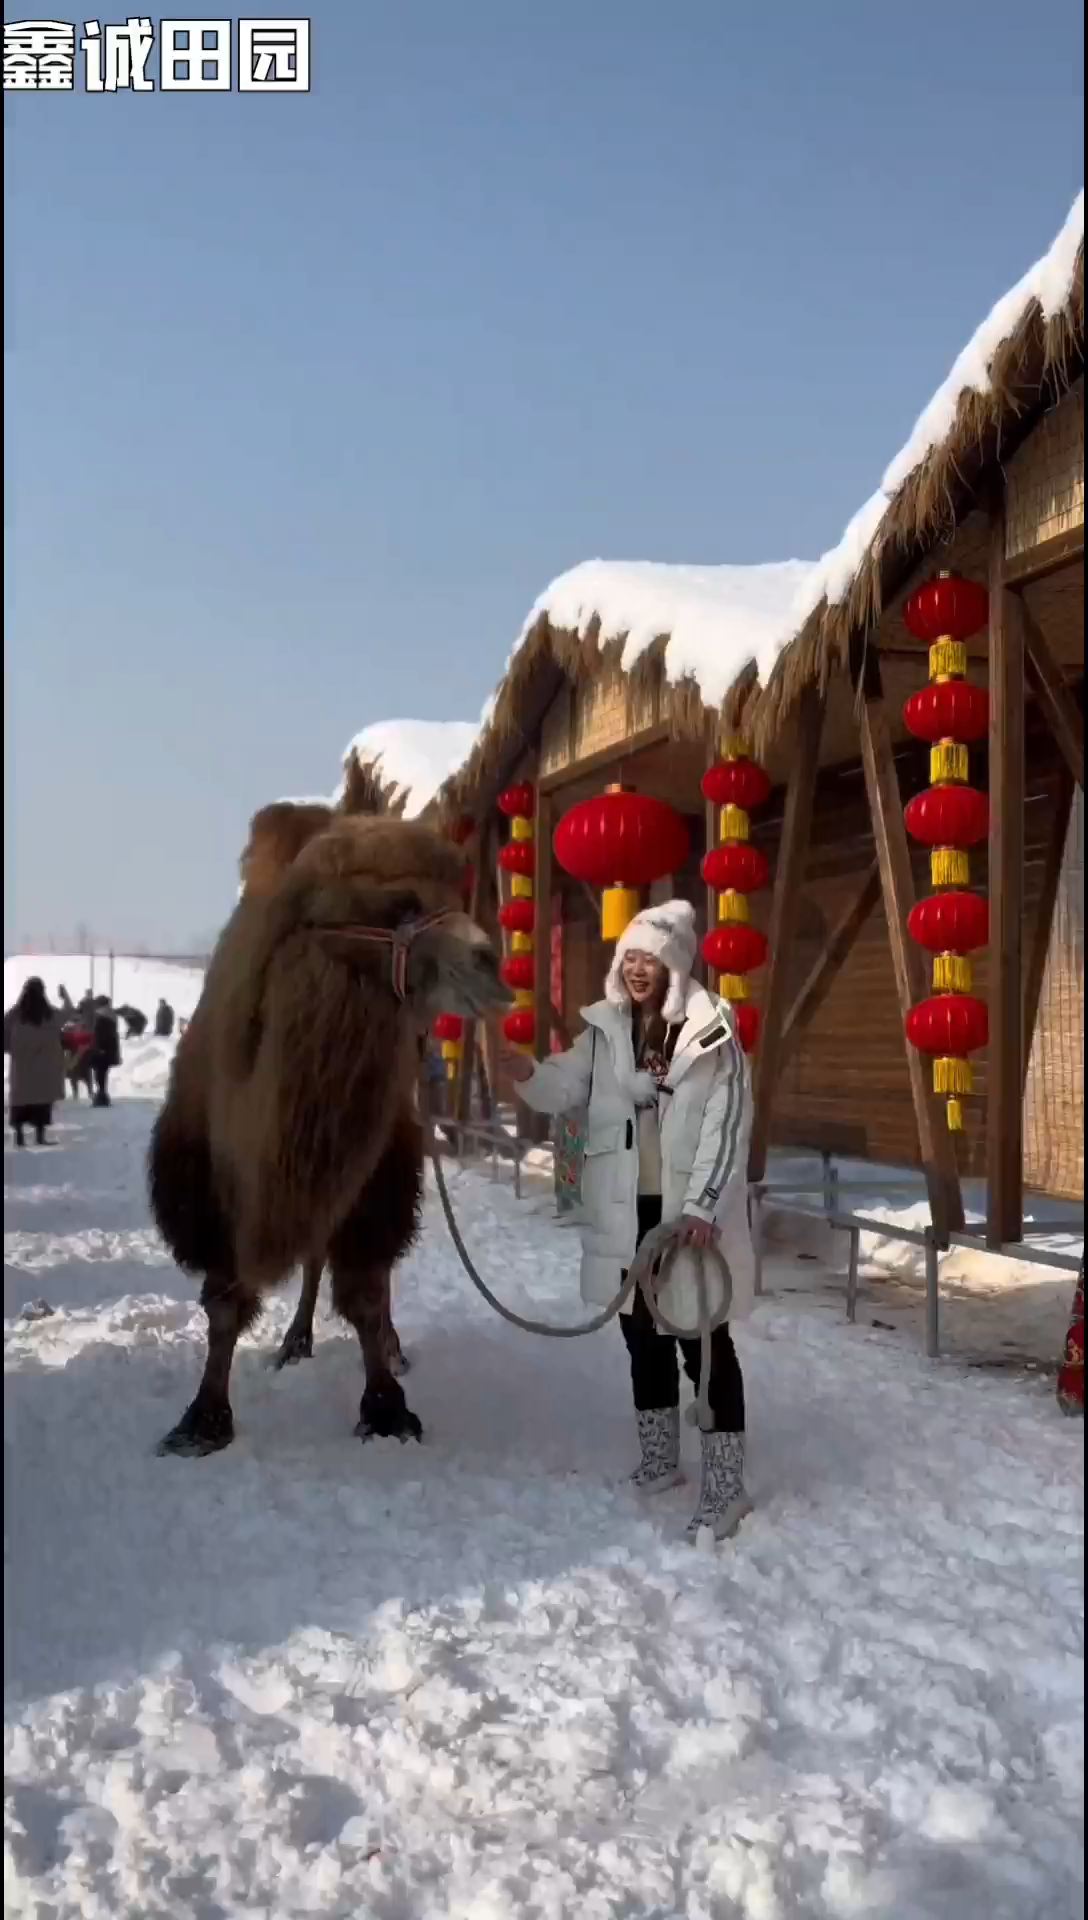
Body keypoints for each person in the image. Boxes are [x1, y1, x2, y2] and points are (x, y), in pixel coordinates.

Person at [504, 900, 756, 1542]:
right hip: (626, 1210)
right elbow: (566, 1085)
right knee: (641, 1338)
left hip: (686, 1217)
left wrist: (702, 1206)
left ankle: (726, 1487)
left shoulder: (712, 1028)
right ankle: (660, 1459)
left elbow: (727, 1126)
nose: (638, 969)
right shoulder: (608, 1030)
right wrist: (527, 1073)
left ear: (674, 961)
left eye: (649, 957)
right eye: (630, 958)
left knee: (702, 1345)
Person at [4, 976, 66, 1147]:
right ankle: (40, 1136)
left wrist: (13, 1049)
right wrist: (64, 996)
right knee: (41, 1103)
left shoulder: (15, 1014)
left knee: (20, 1102)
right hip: (44, 1071)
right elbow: (68, 1014)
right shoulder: (49, 1014)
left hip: (22, 1069)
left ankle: (19, 1137)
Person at [88, 996, 122, 1107]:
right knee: (103, 1074)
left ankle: (101, 1097)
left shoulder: (101, 1017)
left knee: (99, 1074)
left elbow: (100, 1035)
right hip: (109, 1050)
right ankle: (102, 1096)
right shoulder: (111, 1015)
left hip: (101, 1051)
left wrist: (99, 1048)